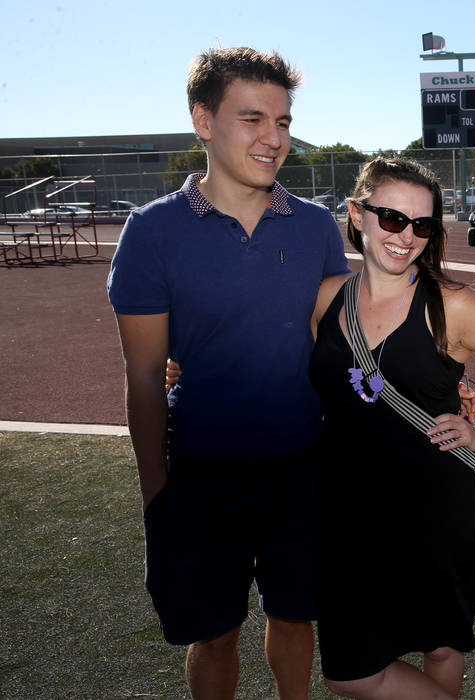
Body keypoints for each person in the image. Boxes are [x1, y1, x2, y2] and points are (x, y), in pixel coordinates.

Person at [107, 47, 350, 698]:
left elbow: (347, 348)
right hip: (201, 473)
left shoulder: (317, 228)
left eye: (283, 121)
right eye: (252, 119)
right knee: (213, 633)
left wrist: (446, 377)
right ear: (203, 120)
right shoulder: (151, 233)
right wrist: (156, 488)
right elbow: (142, 374)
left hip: (303, 466)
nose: (274, 138)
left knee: (295, 616)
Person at [308, 156, 475, 698]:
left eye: (423, 225)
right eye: (392, 218)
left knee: (440, 644)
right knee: (350, 673)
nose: (407, 236)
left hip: (437, 505)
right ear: (357, 214)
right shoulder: (326, 298)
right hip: (347, 507)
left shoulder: (455, 305)